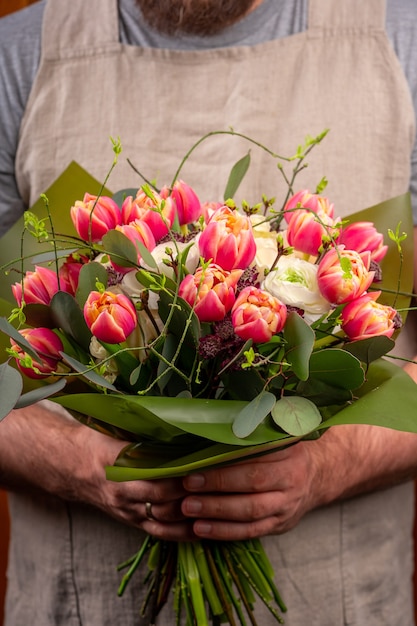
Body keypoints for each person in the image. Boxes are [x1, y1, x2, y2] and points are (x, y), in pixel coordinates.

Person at [1, 0, 417, 624]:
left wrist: (329, 465)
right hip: (80, 602)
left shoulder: (402, 40)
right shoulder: (19, 55)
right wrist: (76, 463)